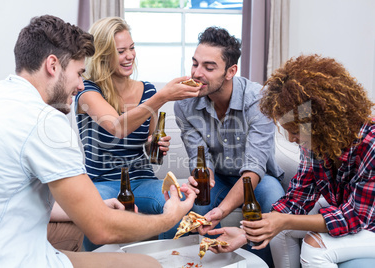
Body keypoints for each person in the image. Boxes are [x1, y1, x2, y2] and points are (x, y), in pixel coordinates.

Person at [0, 15, 196, 268]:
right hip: (13, 259)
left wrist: (97, 205)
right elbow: (100, 227)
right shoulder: (45, 119)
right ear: (52, 65)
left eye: (131, 48)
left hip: (0, 249)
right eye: (78, 73)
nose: (80, 84)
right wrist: (168, 219)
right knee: (148, 264)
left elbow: (16, 196)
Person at [209, 54, 375, 268]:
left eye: (295, 131)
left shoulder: (370, 144)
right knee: (279, 230)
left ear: (322, 122)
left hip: (367, 219)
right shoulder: (317, 141)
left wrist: (284, 221)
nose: (291, 139)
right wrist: (246, 233)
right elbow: (297, 198)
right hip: (347, 207)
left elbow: (354, 216)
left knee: (313, 248)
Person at [74, 17, 200, 250]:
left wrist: (155, 144)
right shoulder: (86, 91)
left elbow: (147, 141)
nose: (130, 55)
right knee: (99, 217)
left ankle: (170, 263)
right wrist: (163, 97)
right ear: (103, 55)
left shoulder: (147, 90)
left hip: (142, 179)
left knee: (178, 202)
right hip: (103, 182)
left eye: (131, 48)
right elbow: (116, 126)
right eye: (121, 51)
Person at [174, 26, 285, 267]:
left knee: (274, 201)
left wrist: (221, 211)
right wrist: (204, 181)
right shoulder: (184, 105)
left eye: (208, 67)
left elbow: (254, 169)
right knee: (184, 209)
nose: (197, 73)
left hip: (258, 178)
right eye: (195, 64)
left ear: (230, 71)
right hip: (219, 177)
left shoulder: (259, 99)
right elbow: (199, 159)